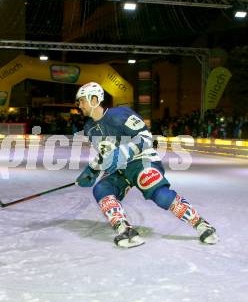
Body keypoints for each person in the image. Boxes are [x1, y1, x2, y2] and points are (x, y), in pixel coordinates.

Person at [74, 82, 218, 248]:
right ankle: (125, 230)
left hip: (140, 160)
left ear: (94, 99)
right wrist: (92, 170)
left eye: (82, 100)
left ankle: (201, 224)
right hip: (121, 169)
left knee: (161, 195)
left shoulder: (120, 114)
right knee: (101, 189)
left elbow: (145, 137)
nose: (79, 105)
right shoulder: (89, 128)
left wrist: (123, 152)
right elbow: (106, 153)